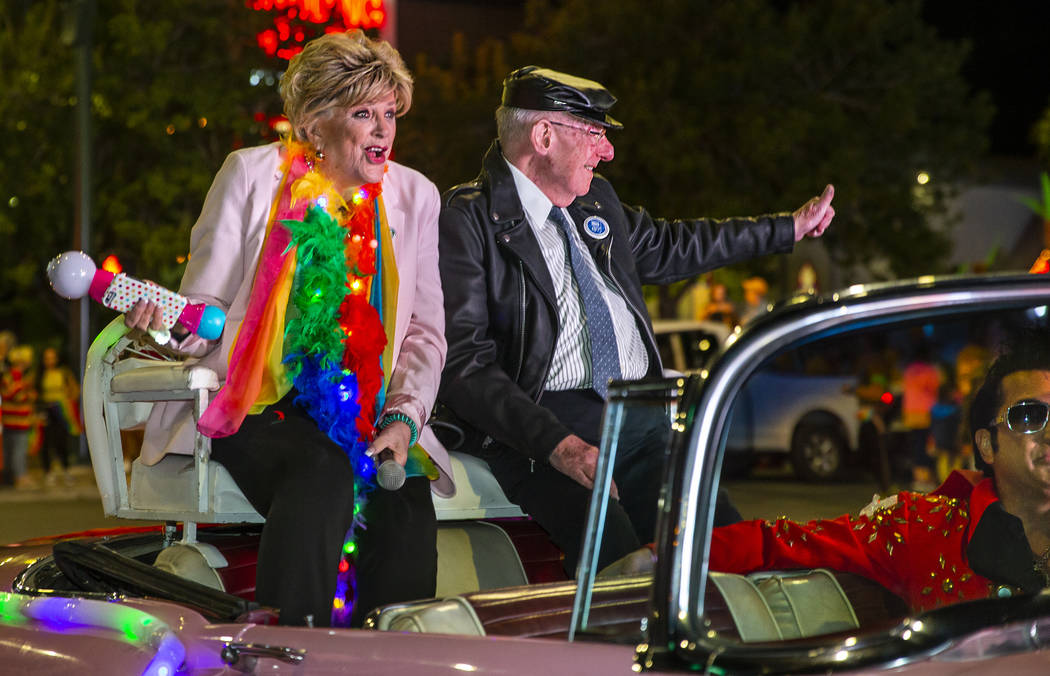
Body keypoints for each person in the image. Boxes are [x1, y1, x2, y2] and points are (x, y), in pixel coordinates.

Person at [436, 66, 835, 574]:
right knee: (625, 579)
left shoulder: (595, 201)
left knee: (730, 557)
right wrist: (557, 445)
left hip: (641, 424)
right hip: (547, 432)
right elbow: (466, 363)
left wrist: (786, 229)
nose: (608, 153)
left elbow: (676, 246)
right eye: (595, 134)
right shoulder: (468, 217)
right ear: (543, 136)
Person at [129, 30, 448, 628]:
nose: (383, 130)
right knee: (320, 472)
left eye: (389, 113)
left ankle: (391, 664)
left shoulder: (415, 196)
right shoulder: (250, 175)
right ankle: (282, 652)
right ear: (314, 123)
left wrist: (404, 417)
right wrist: (164, 326)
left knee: (404, 499)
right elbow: (205, 313)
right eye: (363, 114)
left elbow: (423, 335)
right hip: (254, 403)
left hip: (366, 411)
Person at [709, 330, 1050, 612]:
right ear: (988, 444)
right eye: (1030, 416)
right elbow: (781, 542)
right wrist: (668, 555)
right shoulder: (922, 526)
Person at [37, 347, 80, 485]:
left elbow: (75, 390)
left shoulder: (64, 373)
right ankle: (48, 471)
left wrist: (67, 400)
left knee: (62, 441)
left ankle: (66, 470)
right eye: (47, 358)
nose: (50, 361)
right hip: (46, 410)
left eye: (52, 357)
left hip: (61, 411)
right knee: (47, 441)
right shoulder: (39, 374)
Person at [2, 344, 38, 490]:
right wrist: (27, 394)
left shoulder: (15, 377)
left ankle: (13, 477)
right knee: (18, 451)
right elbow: (15, 395)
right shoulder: (14, 376)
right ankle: (20, 477)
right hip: (16, 420)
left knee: (12, 450)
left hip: (13, 420)